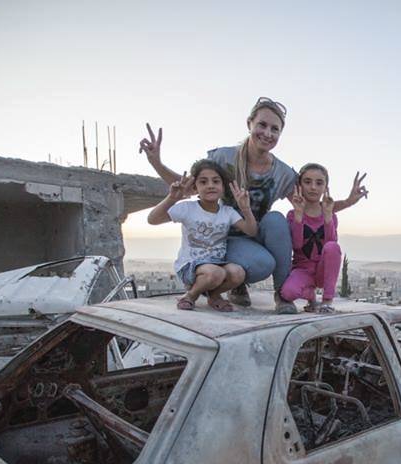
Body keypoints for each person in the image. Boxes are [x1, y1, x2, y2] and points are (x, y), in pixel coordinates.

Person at [139, 97, 369, 314]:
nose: (267, 133)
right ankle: (234, 284)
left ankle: (282, 294)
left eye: (275, 129)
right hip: (222, 236)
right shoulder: (224, 157)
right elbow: (189, 188)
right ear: (249, 124)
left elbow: (311, 208)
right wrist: (156, 163)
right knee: (261, 262)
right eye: (262, 125)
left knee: (277, 220)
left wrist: (348, 202)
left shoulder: (283, 173)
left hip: (254, 233)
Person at [146, 159, 257, 311]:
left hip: (217, 265)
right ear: (195, 187)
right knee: (215, 273)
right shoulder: (188, 208)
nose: (210, 185)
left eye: (216, 181)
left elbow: (251, 230)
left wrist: (245, 209)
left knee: (238, 273)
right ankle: (190, 295)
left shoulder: (227, 212)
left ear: (223, 187)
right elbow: (153, 219)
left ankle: (214, 295)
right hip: (190, 266)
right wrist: (172, 198)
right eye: (203, 182)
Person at [280, 164, 347, 313]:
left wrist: (328, 216)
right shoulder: (292, 214)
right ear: (300, 185)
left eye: (319, 183)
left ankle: (327, 301)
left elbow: (331, 245)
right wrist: (299, 215)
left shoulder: (331, 215)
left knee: (332, 247)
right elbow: (297, 245)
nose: (313, 187)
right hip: (303, 269)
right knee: (287, 293)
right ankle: (311, 295)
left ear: (325, 187)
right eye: (307, 182)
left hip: (323, 270)